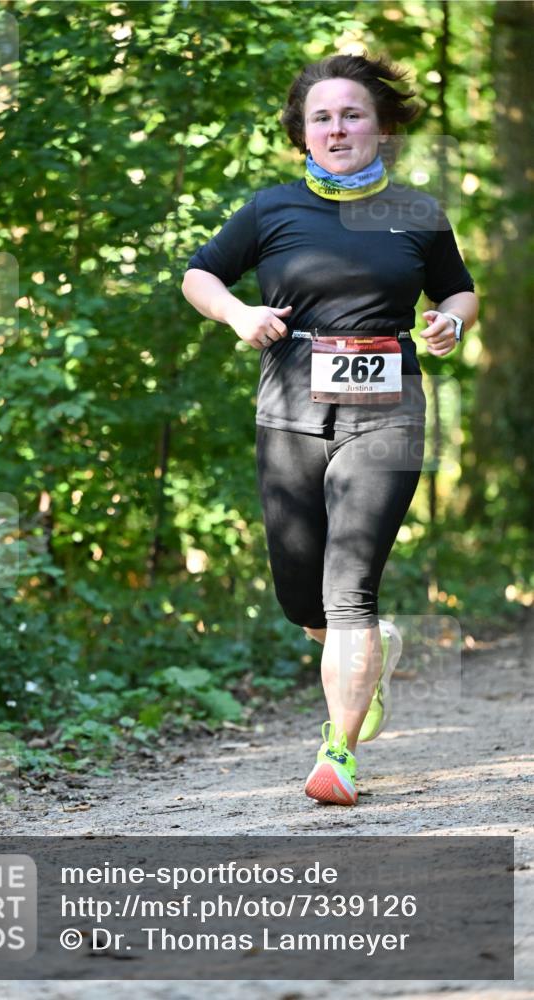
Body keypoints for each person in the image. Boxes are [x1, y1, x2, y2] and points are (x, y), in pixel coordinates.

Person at [181, 53, 478, 806]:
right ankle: (371, 655)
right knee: (300, 600)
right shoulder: (270, 208)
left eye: (352, 114)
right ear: (301, 133)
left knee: (349, 592)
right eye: (322, 117)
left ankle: (338, 752)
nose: (338, 127)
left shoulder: (415, 211)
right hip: (289, 413)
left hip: (389, 411)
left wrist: (447, 322)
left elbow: (458, 291)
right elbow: (199, 273)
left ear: (380, 126)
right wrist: (238, 313)